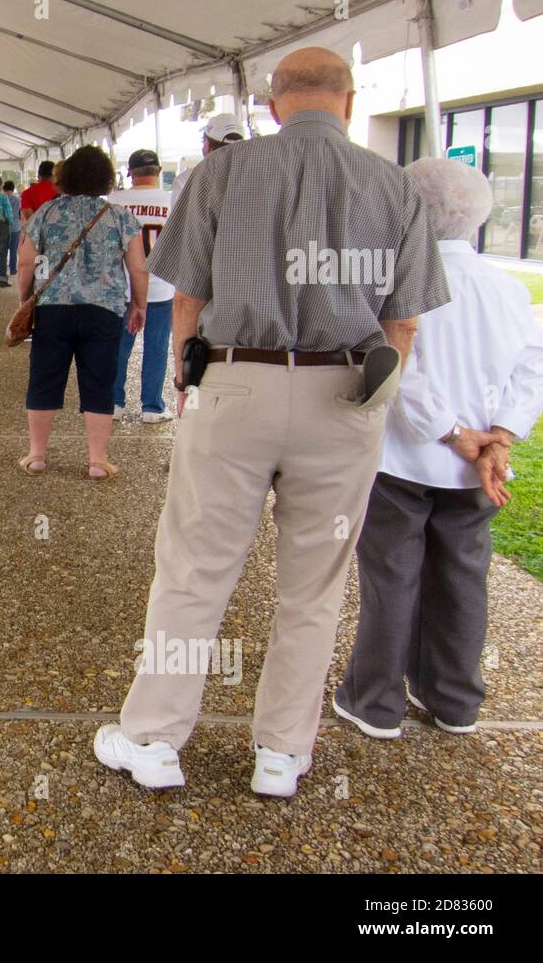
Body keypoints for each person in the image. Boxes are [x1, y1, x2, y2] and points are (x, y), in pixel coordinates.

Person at [94, 47, 450, 799]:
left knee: (193, 573)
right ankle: (282, 755)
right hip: (345, 393)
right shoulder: (393, 186)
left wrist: (185, 376)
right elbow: (405, 325)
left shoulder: (220, 173)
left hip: (237, 383)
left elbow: (187, 295)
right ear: (348, 104)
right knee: (313, 588)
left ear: (273, 104)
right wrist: (371, 400)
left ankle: (156, 739)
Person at [333, 157, 543, 740]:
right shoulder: (506, 288)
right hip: (474, 468)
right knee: (462, 580)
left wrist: (455, 433)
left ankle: (374, 701)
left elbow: (401, 370)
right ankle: (454, 699)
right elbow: (532, 366)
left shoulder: (398, 282)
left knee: (391, 578)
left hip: (403, 459)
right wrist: (499, 434)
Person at [15, 145, 147, 479]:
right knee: (100, 381)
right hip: (103, 310)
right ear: (106, 179)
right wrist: (139, 305)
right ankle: (97, 461)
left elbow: (26, 260)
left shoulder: (47, 212)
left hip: (53, 309)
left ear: (66, 176)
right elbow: (138, 268)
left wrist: (24, 300)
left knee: (44, 377)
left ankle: (37, 455)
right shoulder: (120, 216)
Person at [107, 150, 174, 422]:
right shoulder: (172, 201)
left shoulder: (114, 201)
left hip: (122, 285)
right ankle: (152, 407)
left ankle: (113, 403)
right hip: (161, 286)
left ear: (130, 172)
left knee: (118, 347)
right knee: (157, 347)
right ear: (158, 171)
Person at [171, 113, 244, 202]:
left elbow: (178, 215)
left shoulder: (185, 181)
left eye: (203, 140)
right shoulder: (254, 179)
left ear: (207, 144)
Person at [2, 180, 21, 281]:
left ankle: (2, 269)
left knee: (2, 249)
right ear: (13, 189)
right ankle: (13, 270)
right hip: (15, 226)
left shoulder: (2, 199)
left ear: (4, 189)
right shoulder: (18, 199)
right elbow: (20, 212)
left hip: (4, 226)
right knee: (13, 250)